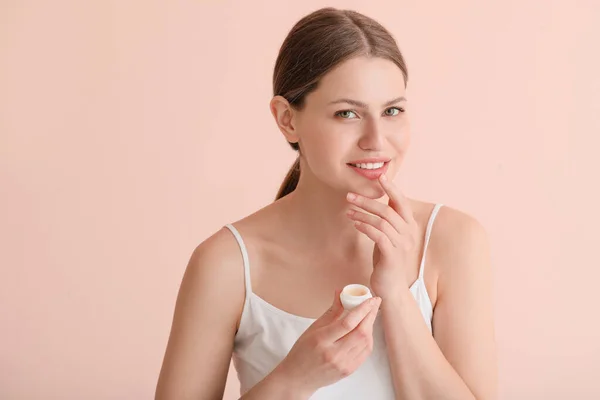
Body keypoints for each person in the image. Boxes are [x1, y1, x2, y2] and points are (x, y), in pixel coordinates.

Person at [155, 6, 497, 400]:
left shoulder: (453, 240)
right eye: (347, 113)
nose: (376, 140)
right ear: (287, 119)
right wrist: (294, 378)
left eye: (392, 111)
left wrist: (397, 295)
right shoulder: (226, 264)